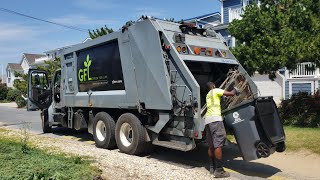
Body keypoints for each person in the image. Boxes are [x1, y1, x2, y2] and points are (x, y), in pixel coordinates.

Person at [205, 82, 240, 178]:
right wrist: (236, 89)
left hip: (208, 120)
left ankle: (212, 168)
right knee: (218, 144)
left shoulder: (208, 95)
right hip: (216, 120)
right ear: (213, 86)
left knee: (211, 145)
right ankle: (219, 170)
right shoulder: (216, 90)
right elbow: (231, 94)